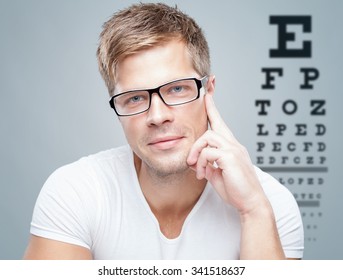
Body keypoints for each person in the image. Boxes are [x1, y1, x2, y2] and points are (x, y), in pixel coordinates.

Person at [24, 3, 304, 260]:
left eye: (177, 89)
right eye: (134, 98)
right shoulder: (76, 191)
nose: (157, 116)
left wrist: (253, 211)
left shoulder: (270, 204)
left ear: (208, 90)